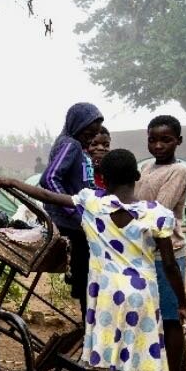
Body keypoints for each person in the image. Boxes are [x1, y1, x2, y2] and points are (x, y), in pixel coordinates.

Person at [0, 149, 186, 371]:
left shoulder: (92, 203)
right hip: (141, 296)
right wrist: (182, 303)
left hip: (107, 296)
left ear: (102, 179)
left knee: (118, 359)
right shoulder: (156, 214)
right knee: (135, 360)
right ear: (136, 175)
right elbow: (169, 265)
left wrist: (14, 182)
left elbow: (48, 196)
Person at [135, 115, 186, 371]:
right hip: (149, 253)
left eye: (166, 139)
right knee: (164, 320)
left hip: (169, 253)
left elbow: (158, 210)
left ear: (178, 141)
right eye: (152, 139)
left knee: (172, 321)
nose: (158, 145)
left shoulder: (179, 171)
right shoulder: (146, 168)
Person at [40, 102, 104, 318]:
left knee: (87, 276)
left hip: (80, 221)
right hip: (72, 224)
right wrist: (73, 209)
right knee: (87, 277)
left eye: (96, 133)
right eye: (90, 130)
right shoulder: (71, 144)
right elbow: (49, 178)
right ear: (78, 124)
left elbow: (82, 183)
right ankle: (90, 326)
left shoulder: (76, 146)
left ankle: (90, 323)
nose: (93, 136)